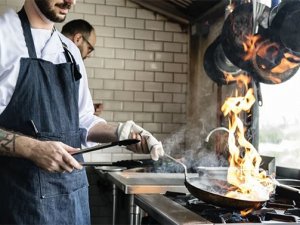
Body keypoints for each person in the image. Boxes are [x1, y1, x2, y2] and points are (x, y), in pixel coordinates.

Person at [0, 0, 164, 224]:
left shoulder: (70, 52)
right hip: (23, 204)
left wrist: (120, 133)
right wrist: (32, 148)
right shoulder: (4, 37)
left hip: (73, 202)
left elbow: (83, 120)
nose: (70, 1)